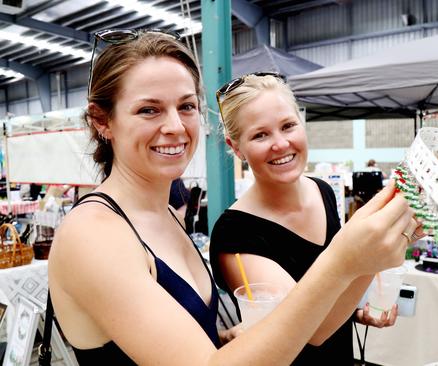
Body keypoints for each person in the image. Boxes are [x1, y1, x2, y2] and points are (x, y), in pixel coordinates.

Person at [48, 30, 417, 365]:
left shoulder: (164, 218)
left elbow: (186, 347)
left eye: (187, 106)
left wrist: (228, 340)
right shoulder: (94, 234)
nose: (176, 127)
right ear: (102, 121)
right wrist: (344, 261)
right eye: (149, 109)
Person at [211, 74, 423, 365]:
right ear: (236, 148)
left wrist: (357, 309)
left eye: (288, 125)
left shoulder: (321, 190)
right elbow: (313, 331)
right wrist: (373, 254)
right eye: (261, 135)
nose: (281, 143)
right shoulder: (235, 235)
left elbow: (331, 294)